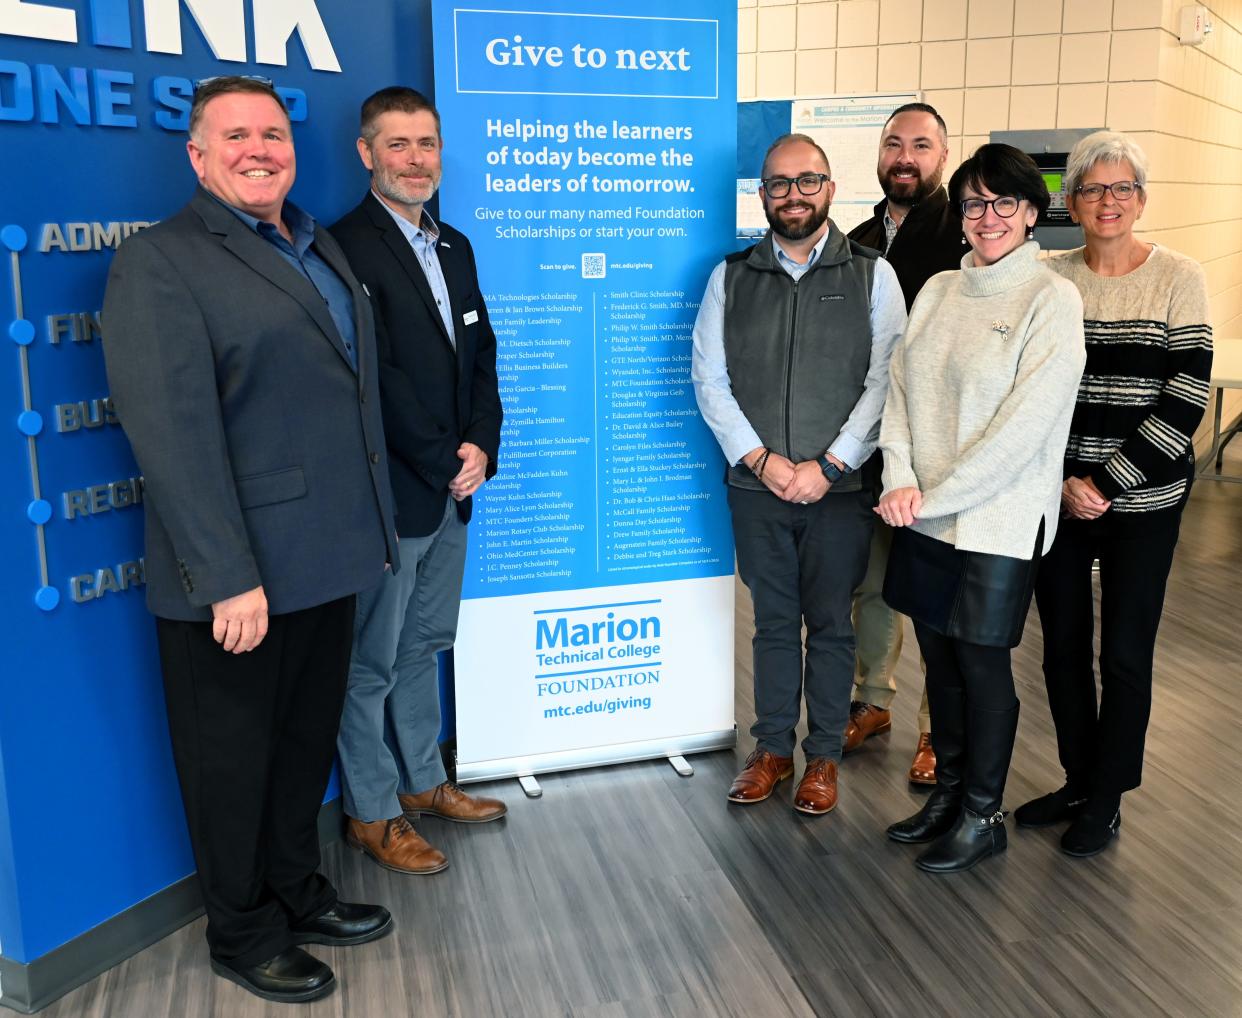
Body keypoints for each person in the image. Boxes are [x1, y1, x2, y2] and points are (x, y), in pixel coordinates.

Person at [101, 76, 399, 1002]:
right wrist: (227, 577)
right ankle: (240, 929)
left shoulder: (314, 244)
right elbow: (173, 437)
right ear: (197, 156)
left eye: (272, 132)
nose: (259, 148)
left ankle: (297, 890)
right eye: (235, 136)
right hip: (238, 580)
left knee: (301, 746)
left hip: (328, 557)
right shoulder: (162, 261)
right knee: (231, 763)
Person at [876, 143, 1086, 872]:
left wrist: (931, 494)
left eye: (1005, 204)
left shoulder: (1051, 300)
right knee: (939, 656)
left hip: (997, 519)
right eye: (974, 203)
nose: (988, 217)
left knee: (983, 665)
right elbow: (897, 393)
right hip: (923, 513)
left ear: (1032, 214)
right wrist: (898, 475)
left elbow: (1024, 431)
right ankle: (949, 793)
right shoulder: (936, 290)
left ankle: (981, 813)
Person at [692, 133, 907, 815]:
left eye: (807, 181)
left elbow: (887, 380)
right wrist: (761, 461)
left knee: (833, 625)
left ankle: (824, 760)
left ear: (831, 189)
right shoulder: (730, 276)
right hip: (757, 490)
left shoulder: (873, 274)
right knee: (775, 624)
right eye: (779, 183)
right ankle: (774, 750)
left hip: (839, 492)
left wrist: (832, 462)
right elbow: (709, 378)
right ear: (761, 195)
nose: (793, 194)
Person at [1017, 131, 1213, 857]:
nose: (1108, 201)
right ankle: (1075, 778)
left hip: (1144, 503)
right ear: (1071, 200)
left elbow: (1185, 396)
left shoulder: (1178, 276)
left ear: (1141, 199)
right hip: (1056, 497)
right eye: (1093, 189)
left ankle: (1107, 797)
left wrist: (1103, 482)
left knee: (1125, 652)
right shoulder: (1047, 274)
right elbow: (1029, 386)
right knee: (1060, 649)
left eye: (1122, 188)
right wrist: (1063, 481)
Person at [329, 87, 506, 874]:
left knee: (424, 644)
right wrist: (444, 459)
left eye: (426, 144)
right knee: (369, 662)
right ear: (366, 153)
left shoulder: (455, 246)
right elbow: (377, 380)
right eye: (397, 145)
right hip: (393, 496)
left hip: (453, 488)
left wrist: (482, 447)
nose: (416, 160)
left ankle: (424, 784)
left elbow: (481, 356)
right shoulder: (344, 249)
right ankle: (371, 810)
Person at [844, 102, 964, 784]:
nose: (905, 156)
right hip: (867, 442)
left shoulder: (962, 235)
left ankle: (936, 729)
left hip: (934, 446)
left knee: (933, 588)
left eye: (921, 144)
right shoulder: (858, 239)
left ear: (942, 156)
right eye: (894, 143)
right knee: (874, 584)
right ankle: (874, 701)